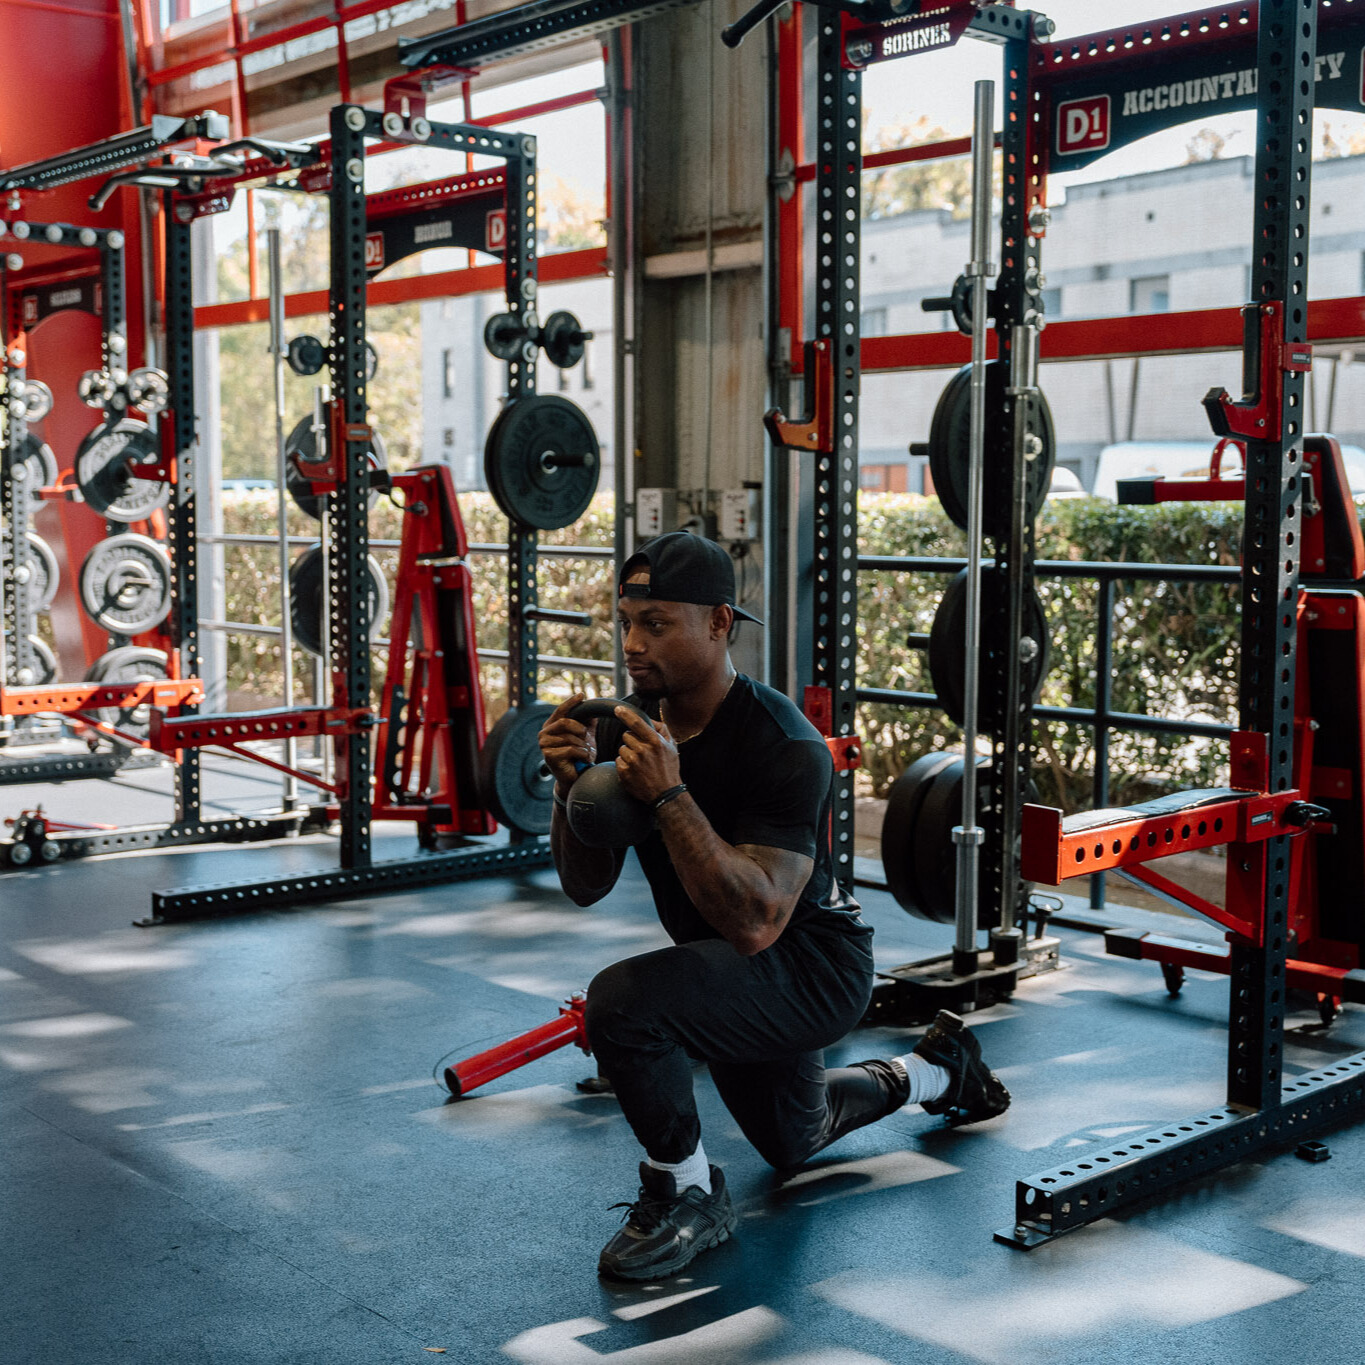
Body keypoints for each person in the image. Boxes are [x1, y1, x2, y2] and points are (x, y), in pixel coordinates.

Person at [537, 531, 1010, 1282]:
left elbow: (755, 922)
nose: (632, 644)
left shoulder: (783, 741)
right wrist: (571, 790)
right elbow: (585, 885)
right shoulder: (632, 728)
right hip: (728, 960)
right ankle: (935, 1070)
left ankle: (686, 1190)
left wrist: (669, 793)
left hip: (814, 966)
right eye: (626, 622)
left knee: (623, 1003)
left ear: (720, 623)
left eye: (656, 623)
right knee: (794, 1137)